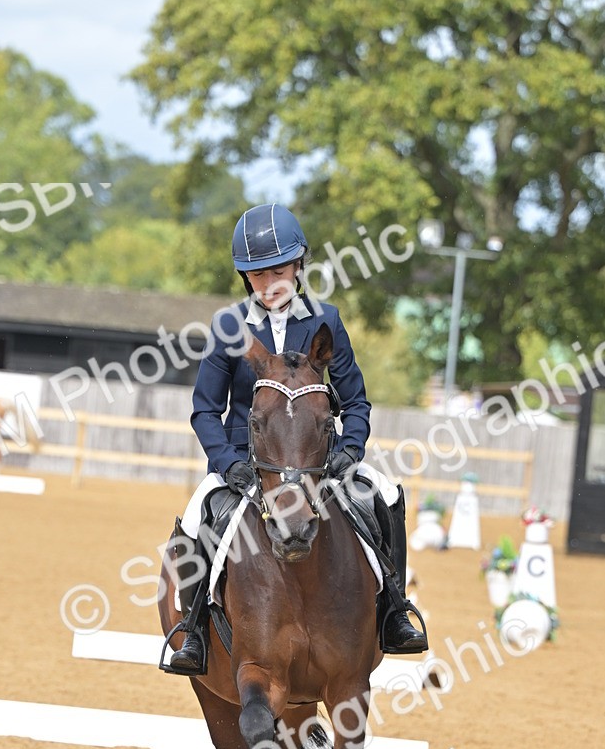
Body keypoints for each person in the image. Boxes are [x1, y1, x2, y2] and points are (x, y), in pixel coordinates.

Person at [167, 203, 427, 675]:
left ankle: (394, 609)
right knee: (196, 514)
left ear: (298, 266)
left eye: (279, 271)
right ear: (245, 277)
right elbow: (205, 409)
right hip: (248, 464)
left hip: (316, 460)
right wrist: (228, 463)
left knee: (384, 494)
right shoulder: (229, 327)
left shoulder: (326, 320)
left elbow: (356, 401)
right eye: (257, 275)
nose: (269, 283)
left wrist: (350, 449)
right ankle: (194, 630)